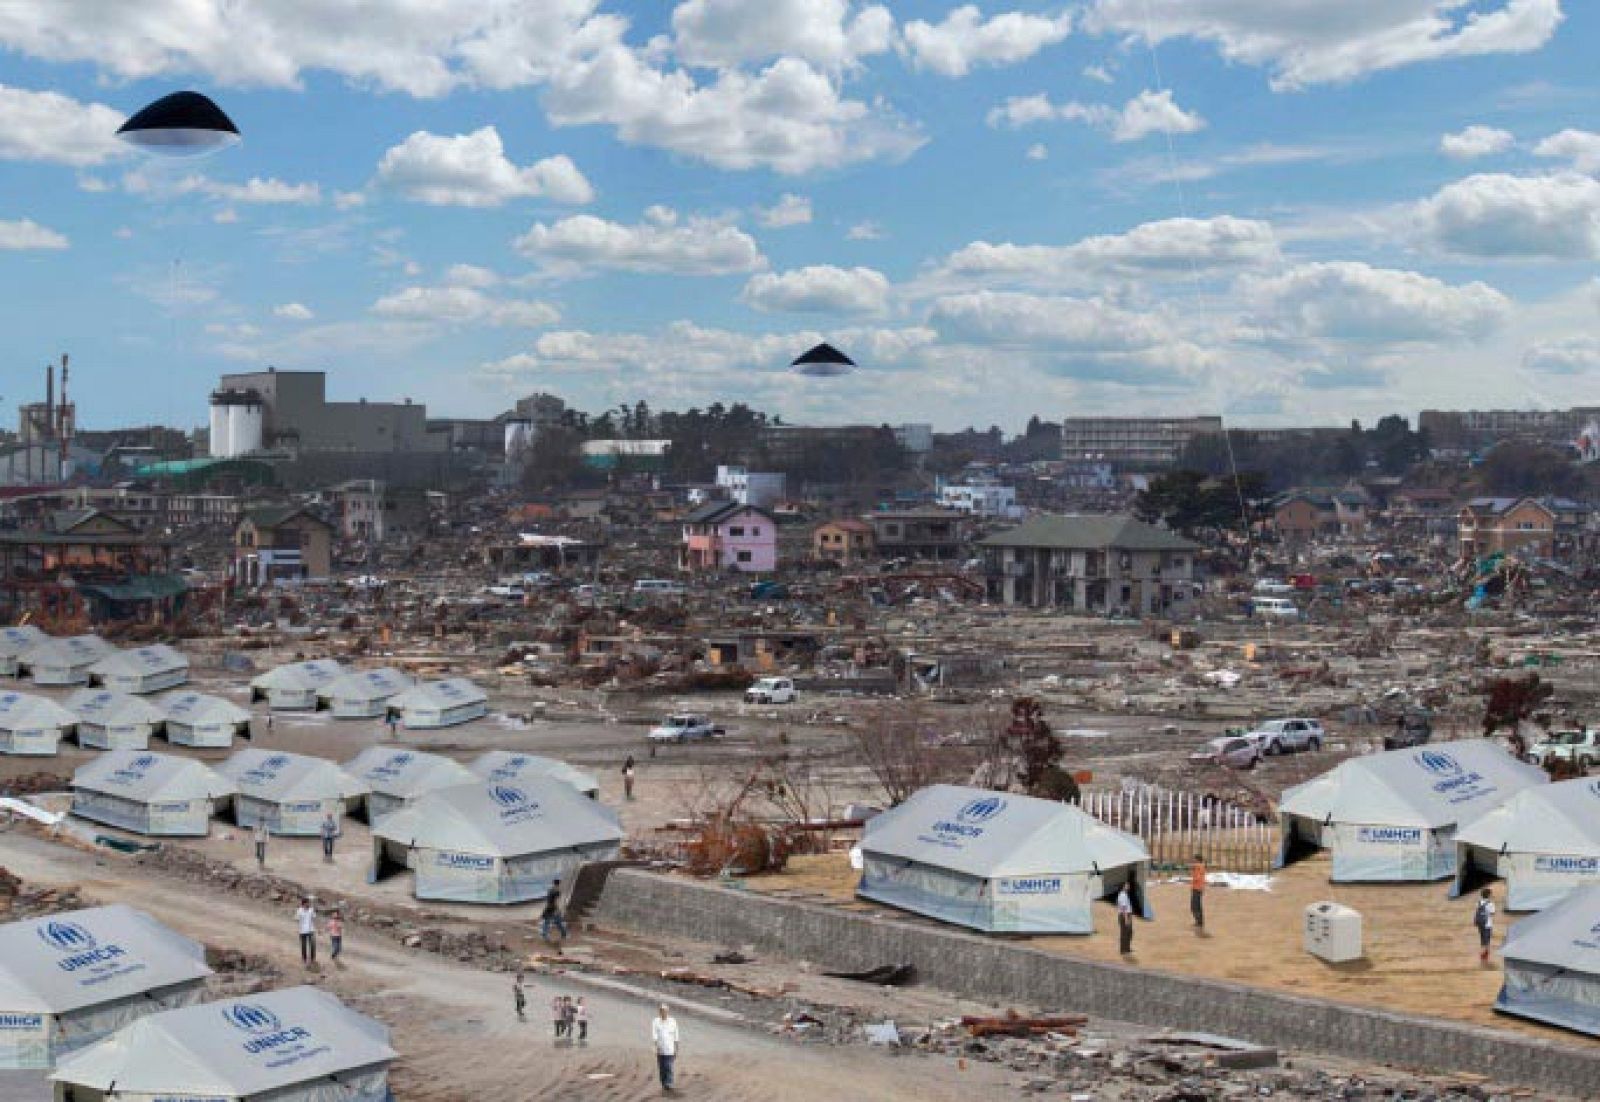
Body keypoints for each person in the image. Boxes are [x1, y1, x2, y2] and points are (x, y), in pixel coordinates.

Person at [652, 1004, 679, 1092]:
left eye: (665, 1011)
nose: (663, 1013)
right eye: (661, 1011)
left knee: (668, 1066)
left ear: (667, 1012)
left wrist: (676, 1048)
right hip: (660, 1049)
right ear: (659, 1012)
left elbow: (676, 1035)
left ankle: (669, 1083)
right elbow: (654, 1035)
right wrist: (655, 1047)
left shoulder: (672, 1021)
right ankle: (664, 1083)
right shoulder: (656, 1021)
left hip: (670, 1049)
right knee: (662, 1067)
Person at [1474, 887, 1496, 964]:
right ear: (1489, 895)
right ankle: (1484, 957)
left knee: (1482, 940)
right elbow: (1492, 913)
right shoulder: (1491, 904)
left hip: (1480, 924)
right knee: (1487, 941)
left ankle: (1483, 957)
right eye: (1491, 894)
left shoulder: (1478, 902)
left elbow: (1477, 911)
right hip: (1487, 924)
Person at [295, 898, 317, 966]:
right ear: (304, 903)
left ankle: (312, 958)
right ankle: (304, 958)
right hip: (302, 931)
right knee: (304, 946)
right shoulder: (299, 910)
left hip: (311, 930)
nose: (308, 904)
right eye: (307, 903)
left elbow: (314, 918)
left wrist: (317, 928)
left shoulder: (311, 910)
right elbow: (296, 919)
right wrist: (299, 926)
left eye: (309, 902)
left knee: (313, 945)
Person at [1189, 854, 1207, 929]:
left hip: (1197, 888)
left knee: (1194, 906)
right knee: (1197, 906)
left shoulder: (1198, 867)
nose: (1193, 860)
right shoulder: (1200, 866)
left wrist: (1193, 872)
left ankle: (1199, 922)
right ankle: (1199, 922)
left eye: (1194, 859)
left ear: (1197, 860)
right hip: (1199, 888)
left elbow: (1197, 877)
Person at [1116, 883, 1135, 956]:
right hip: (1124, 915)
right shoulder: (1123, 895)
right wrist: (1126, 918)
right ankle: (1123, 950)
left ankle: (1127, 948)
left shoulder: (1124, 894)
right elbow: (1123, 908)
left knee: (1129, 932)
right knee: (1124, 933)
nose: (1128, 886)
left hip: (1126, 915)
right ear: (1123, 887)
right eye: (1127, 885)